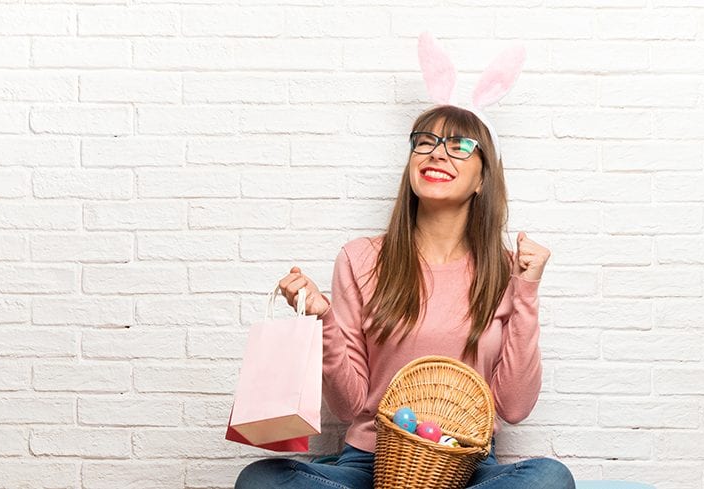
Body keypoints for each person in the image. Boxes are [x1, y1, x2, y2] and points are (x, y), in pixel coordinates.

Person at [233, 104, 575, 489]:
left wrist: (526, 290)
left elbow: (514, 407)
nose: (437, 152)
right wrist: (323, 319)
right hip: (369, 462)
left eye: (459, 144)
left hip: (467, 464)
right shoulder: (360, 259)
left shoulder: (505, 271)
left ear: (483, 178)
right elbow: (348, 407)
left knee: (549, 478)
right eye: (425, 142)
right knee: (260, 480)